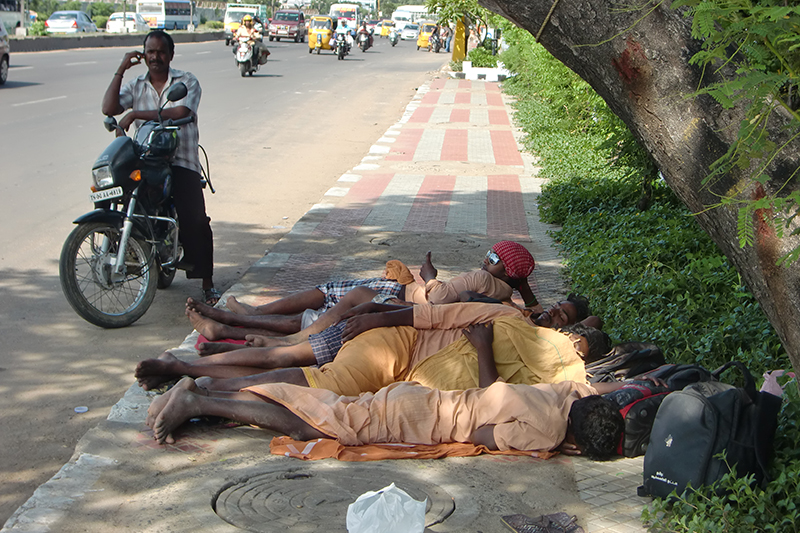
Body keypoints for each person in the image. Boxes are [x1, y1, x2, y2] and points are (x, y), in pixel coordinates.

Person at [146, 321, 629, 462]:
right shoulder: (545, 432)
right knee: (314, 418)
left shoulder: (567, 393)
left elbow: (602, 386)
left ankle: (203, 392)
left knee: (320, 403)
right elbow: (482, 434)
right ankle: (200, 397)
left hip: (415, 392)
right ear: (579, 443)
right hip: (415, 418)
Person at [136, 300, 610, 397]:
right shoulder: (510, 317)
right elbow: (437, 314)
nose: (565, 332)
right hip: (396, 348)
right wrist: (373, 317)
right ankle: (198, 382)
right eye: (569, 323)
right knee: (296, 376)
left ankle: (192, 369)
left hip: (401, 366)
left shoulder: (559, 374)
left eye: (577, 332)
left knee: (290, 364)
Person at [184, 242, 544, 341]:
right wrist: (524, 287)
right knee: (325, 310)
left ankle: (249, 318)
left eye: (495, 257)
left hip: (402, 300)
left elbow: (437, 298)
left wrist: (428, 277)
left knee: (331, 297)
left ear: (507, 271)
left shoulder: (484, 282)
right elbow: (537, 313)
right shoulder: (505, 299)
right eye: (488, 253)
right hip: (408, 302)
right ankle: (246, 319)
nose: (486, 259)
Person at [102, 30, 219, 305]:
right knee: (122, 195)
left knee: (196, 220)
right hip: (146, 160)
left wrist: (135, 114)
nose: (155, 57)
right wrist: (120, 68)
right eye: (150, 52)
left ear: (171, 54)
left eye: (161, 52)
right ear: (144, 55)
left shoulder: (186, 81)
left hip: (180, 160)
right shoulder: (136, 85)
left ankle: (207, 282)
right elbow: (108, 108)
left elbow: (182, 112)